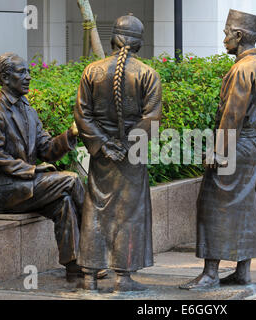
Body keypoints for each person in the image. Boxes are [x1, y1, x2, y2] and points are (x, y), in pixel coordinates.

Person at [180, 9, 256, 290]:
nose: (224, 38)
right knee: (245, 207)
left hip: (233, 147)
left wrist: (219, 151)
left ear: (238, 35)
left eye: (226, 34)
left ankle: (211, 274)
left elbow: (232, 115)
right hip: (247, 146)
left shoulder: (243, 69)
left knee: (211, 205)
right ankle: (243, 273)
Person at [0, 53, 88, 281]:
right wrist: (31, 170)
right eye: (22, 72)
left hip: (27, 187)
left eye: (28, 72)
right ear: (6, 78)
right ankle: (99, 242)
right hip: (7, 191)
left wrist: (71, 134)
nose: (28, 77)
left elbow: (46, 149)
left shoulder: (29, 110)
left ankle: (75, 266)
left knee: (65, 202)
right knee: (71, 180)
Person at [75, 14, 162, 292]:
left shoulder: (92, 71)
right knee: (129, 213)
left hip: (102, 157)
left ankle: (89, 277)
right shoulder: (147, 74)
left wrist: (102, 143)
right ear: (139, 43)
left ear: (113, 39)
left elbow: (82, 114)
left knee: (95, 210)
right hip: (131, 156)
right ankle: (122, 279)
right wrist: (126, 145)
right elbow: (152, 118)